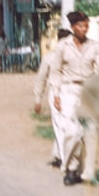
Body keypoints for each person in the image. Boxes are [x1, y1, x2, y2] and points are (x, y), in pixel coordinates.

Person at [49, 11, 99, 185]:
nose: (84, 29)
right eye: (81, 26)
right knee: (72, 131)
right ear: (73, 27)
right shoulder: (62, 46)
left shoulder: (95, 46)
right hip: (68, 90)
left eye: (86, 26)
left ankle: (87, 172)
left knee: (90, 132)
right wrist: (56, 94)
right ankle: (71, 168)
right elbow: (56, 71)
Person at [33, 28, 71, 168]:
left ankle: (59, 154)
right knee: (60, 126)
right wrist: (38, 100)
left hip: (72, 94)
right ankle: (64, 158)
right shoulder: (49, 58)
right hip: (56, 94)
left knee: (71, 126)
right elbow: (41, 79)